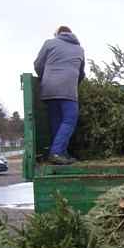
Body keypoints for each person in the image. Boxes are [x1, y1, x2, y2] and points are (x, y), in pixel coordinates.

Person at [34, 25, 85, 165]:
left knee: (57, 121)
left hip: (49, 89)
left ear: (57, 33)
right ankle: (56, 152)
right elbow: (81, 74)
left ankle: (61, 153)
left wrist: (44, 78)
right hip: (68, 90)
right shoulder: (79, 49)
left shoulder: (49, 43)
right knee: (70, 120)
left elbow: (38, 64)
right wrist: (73, 82)